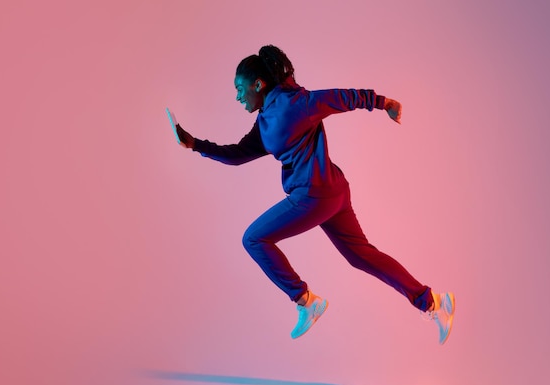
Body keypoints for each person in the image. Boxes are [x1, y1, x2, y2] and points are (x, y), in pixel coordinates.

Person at [174, 45, 455, 344]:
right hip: (331, 192)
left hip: (313, 195)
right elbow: (240, 153)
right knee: (361, 256)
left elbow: (341, 97)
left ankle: (306, 301)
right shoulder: (265, 120)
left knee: (253, 239)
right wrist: (196, 145)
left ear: (259, 83)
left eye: (240, 88)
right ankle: (433, 302)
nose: (238, 96)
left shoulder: (298, 103)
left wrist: (383, 102)